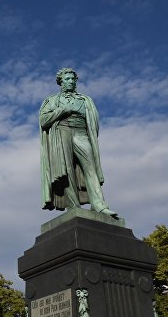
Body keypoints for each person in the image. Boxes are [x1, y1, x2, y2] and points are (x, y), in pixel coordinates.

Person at [39, 68, 117, 217]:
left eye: (72, 79)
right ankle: (74, 207)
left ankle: (99, 205)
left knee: (90, 168)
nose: (71, 81)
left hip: (81, 133)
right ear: (61, 82)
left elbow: (93, 123)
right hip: (62, 132)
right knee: (66, 170)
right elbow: (43, 121)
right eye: (67, 79)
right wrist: (63, 110)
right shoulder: (52, 101)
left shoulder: (85, 100)